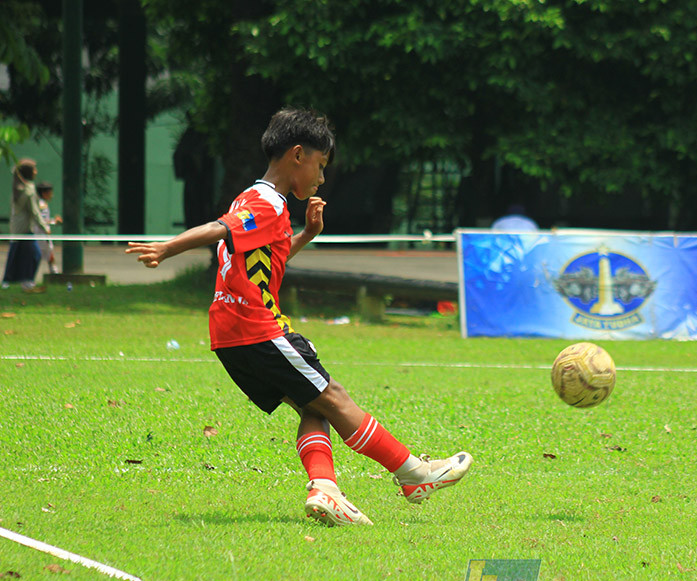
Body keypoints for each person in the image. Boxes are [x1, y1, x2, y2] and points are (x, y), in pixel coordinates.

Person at [126, 107, 472, 527]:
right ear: (297, 155)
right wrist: (166, 248)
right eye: (320, 165)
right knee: (334, 396)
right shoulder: (266, 203)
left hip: (229, 333)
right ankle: (414, 473)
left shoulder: (252, 198)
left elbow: (264, 263)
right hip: (257, 327)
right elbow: (221, 228)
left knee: (313, 405)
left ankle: (325, 489)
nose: (321, 178)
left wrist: (306, 235)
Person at [2, 158, 46, 292]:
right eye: (34, 169)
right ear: (29, 173)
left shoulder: (19, 187)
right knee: (35, 255)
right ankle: (26, 281)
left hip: (17, 228)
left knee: (17, 254)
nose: (36, 171)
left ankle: (8, 281)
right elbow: (34, 211)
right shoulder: (29, 190)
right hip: (24, 229)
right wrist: (44, 227)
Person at [36, 181, 61, 274]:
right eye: (50, 192)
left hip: (41, 235)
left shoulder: (41, 203)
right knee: (46, 254)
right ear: (44, 193)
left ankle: (54, 272)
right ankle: (54, 273)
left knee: (49, 254)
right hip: (42, 235)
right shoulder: (42, 205)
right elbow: (42, 220)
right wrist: (54, 221)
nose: (52, 195)